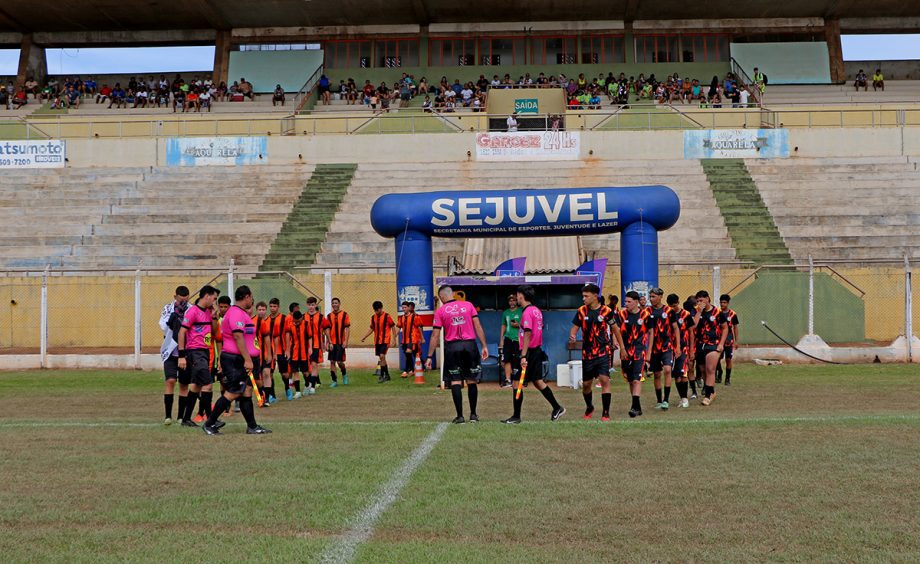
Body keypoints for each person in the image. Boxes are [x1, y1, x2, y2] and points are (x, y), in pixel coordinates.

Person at [202, 285, 271, 435]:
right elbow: (238, 336)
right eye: (251, 297)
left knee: (246, 391)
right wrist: (247, 359)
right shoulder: (236, 313)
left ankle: (252, 426)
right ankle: (209, 423)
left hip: (240, 358)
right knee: (233, 392)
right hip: (235, 359)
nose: (252, 300)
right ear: (246, 297)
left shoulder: (240, 313)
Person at [425, 285, 489, 424]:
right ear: (453, 294)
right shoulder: (468, 305)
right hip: (469, 345)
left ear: (441, 297)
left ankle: (460, 416)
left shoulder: (441, 311)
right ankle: (473, 414)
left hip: (452, 347)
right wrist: (484, 346)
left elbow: (435, 336)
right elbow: (478, 326)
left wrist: (429, 356)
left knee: (455, 380)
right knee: (471, 379)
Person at [502, 285, 565, 424]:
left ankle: (516, 416)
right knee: (538, 381)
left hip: (528, 351)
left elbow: (528, 333)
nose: (517, 297)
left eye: (517, 295)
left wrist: (523, 355)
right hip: (536, 350)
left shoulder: (527, 312)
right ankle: (557, 407)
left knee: (516, 382)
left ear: (520, 296)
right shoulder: (536, 310)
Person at [569, 284, 615, 421]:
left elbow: (616, 328)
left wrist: (621, 346)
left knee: (604, 380)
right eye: (583, 296)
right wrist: (572, 336)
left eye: (586, 296)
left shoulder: (606, 311)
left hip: (603, 351)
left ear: (595, 296)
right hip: (587, 353)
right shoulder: (581, 311)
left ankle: (606, 413)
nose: (583, 299)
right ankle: (589, 407)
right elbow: (574, 328)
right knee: (587, 385)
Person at [177, 285, 220, 427]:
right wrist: (182, 356)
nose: (215, 302)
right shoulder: (192, 311)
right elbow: (182, 332)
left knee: (196, 386)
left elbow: (214, 332)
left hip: (205, 351)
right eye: (214, 298)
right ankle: (211, 420)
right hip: (195, 352)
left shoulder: (208, 312)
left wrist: (214, 317)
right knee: (207, 385)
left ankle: (186, 419)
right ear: (206, 296)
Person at [611, 291, 654, 418]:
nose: (626, 304)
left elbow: (651, 333)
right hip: (625, 351)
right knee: (630, 380)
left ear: (636, 302)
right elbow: (615, 330)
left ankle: (634, 407)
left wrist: (649, 352)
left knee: (636, 379)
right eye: (626, 301)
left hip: (639, 351)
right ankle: (637, 406)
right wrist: (617, 344)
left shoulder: (646, 315)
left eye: (629, 302)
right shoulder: (621, 314)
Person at [692, 290, 729, 406]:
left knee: (710, 369)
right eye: (697, 301)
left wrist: (721, 344)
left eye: (701, 300)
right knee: (703, 370)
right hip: (700, 344)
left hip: (713, 344)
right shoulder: (697, 312)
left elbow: (725, 328)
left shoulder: (717, 312)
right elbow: (693, 326)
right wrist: (699, 311)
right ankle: (711, 391)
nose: (699, 302)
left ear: (708, 299)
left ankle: (707, 396)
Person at [159, 286, 190, 425]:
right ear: (175, 296)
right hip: (171, 351)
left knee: (184, 384)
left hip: (186, 351)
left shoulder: (191, 309)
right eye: (180, 300)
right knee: (170, 381)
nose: (183, 302)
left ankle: (181, 417)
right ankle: (168, 416)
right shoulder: (168, 308)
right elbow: (164, 327)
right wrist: (174, 317)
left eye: (185, 299)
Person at [647, 288, 680, 411]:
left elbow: (676, 328)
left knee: (667, 370)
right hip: (654, 348)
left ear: (660, 297)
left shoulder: (669, 311)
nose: (651, 299)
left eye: (654, 296)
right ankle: (659, 400)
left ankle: (666, 400)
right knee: (656, 374)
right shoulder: (647, 311)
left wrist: (678, 346)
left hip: (667, 346)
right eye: (650, 297)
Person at [668, 294, 695, 408]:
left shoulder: (686, 314)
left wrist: (691, 350)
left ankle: (685, 399)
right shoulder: (668, 314)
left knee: (683, 373)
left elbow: (691, 333)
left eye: (675, 305)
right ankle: (682, 398)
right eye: (671, 306)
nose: (673, 308)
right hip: (671, 349)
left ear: (678, 302)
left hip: (683, 348)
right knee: (676, 376)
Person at [361, 301, 396, 383]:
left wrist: (394, 339)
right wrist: (365, 337)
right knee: (382, 358)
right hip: (377, 341)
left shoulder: (387, 316)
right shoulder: (373, 317)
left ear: (381, 308)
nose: (376, 312)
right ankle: (387, 375)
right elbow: (372, 328)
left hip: (385, 340)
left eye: (377, 310)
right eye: (375, 310)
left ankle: (382, 375)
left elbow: (393, 326)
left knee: (382, 356)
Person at [266, 298, 294, 399]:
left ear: (278, 307)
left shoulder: (284, 318)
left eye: (274, 306)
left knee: (284, 374)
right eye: (271, 306)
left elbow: (287, 333)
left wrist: (287, 349)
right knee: (269, 372)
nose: (272, 308)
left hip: (282, 350)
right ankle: (272, 396)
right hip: (270, 350)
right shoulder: (266, 319)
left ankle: (287, 388)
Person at [304, 297, 330, 393]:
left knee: (314, 364)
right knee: (307, 367)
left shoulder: (320, 317)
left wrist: (329, 341)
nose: (311, 307)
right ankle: (309, 383)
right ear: (307, 305)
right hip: (305, 346)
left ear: (315, 305)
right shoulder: (303, 317)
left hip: (316, 345)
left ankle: (313, 387)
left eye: (313, 305)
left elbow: (326, 329)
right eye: (309, 305)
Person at [715, 294, 740, 385]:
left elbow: (735, 327)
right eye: (721, 302)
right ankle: (720, 372)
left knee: (728, 359)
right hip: (718, 340)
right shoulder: (716, 313)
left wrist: (736, 341)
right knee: (716, 358)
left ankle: (727, 379)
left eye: (724, 302)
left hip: (729, 340)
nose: (722, 304)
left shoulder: (732, 314)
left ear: (728, 303)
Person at [286, 311, 312, 398]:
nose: (296, 323)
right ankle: (297, 392)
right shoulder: (290, 325)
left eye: (298, 321)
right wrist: (287, 351)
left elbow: (310, 337)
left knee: (305, 372)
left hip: (304, 352)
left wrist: (310, 348)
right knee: (295, 372)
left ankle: (308, 384)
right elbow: (288, 338)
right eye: (295, 321)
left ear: (302, 318)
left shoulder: (306, 324)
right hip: (294, 353)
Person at [326, 297, 350, 386]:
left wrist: (345, 341)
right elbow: (327, 330)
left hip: (340, 342)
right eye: (333, 303)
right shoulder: (329, 316)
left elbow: (347, 329)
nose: (334, 305)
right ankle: (334, 381)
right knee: (332, 361)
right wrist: (328, 342)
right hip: (332, 342)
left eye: (336, 303)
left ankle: (344, 374)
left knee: (339, 362)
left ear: (339, 304)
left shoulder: (344, 315)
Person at [499, 294, 521, 388]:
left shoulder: (521, 311)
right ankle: (508, 380)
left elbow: (526, 325)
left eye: (514, 300)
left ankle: (519, 379)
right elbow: (503, 325)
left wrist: (518, 325)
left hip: (518, 339)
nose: (512, 302)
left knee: (518, 359)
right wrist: (501, 339)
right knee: (506, 359)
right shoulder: (505, 312)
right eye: (510, 301)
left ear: (517, 301)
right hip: (507, 339)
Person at [397, 301, 424, 378]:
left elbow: (419, 327)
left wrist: (422, 338)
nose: (404, 309)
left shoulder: (414, 317)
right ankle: (412, 370)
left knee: (408, 352)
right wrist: (395, 336)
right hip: (404, 340)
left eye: (405, 307)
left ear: (409, 308)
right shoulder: (401, 318)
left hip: (412, 338)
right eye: (402, 308)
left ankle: (406, 371)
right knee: (409, 355)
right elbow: (399, 327)